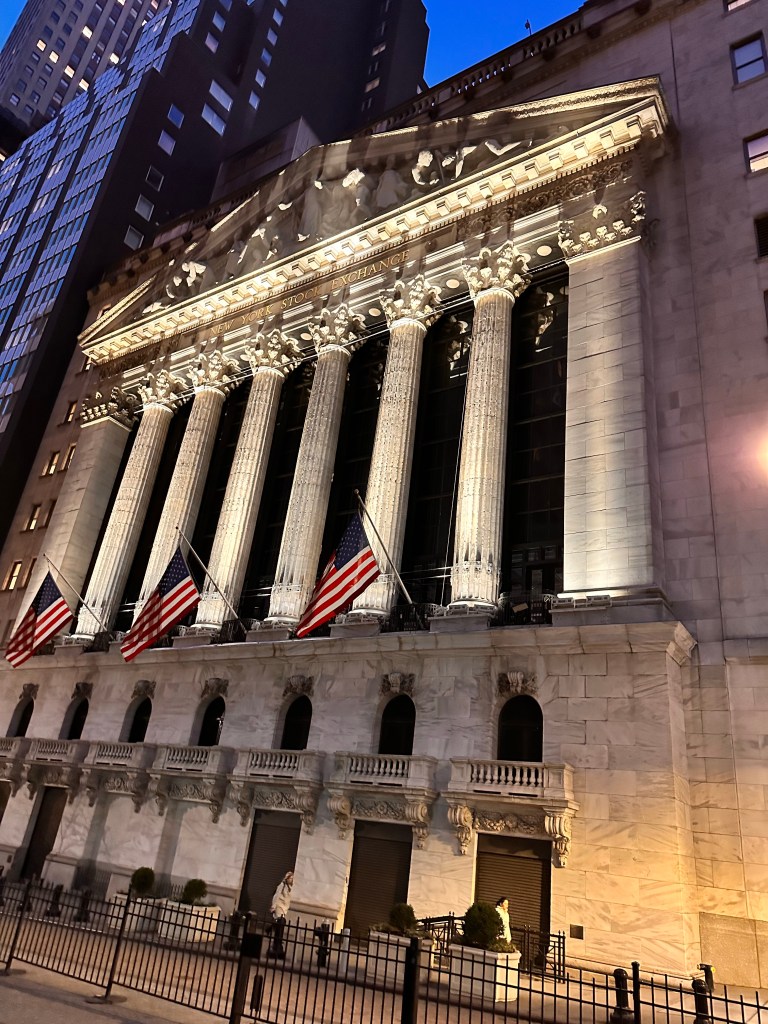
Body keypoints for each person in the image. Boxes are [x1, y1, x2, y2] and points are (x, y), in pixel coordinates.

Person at [268, 870, 294, 959]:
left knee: (280, 923)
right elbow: (276, 895)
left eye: (292, 878)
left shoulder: (290, 887)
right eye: (290, 878)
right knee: (280, 922)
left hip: (284, 908)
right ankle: (277, 943)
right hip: (279, 906)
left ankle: (270, 930)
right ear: (287, 878)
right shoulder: (282, 885)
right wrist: (273, 906)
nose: (291, 880)